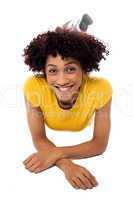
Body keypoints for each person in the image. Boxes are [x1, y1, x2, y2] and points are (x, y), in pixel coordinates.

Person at [22, 26, 113, 190]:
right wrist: (67, 165)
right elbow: (39, 138)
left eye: (70, 69)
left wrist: (55, 153)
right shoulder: (34, 87)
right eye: (53, 70)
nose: (62, 80)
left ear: (84, 70)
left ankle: (79, 27)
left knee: (76, 29)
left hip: (82, 124)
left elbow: (99, 143)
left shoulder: (100, 89)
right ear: (44, 72)